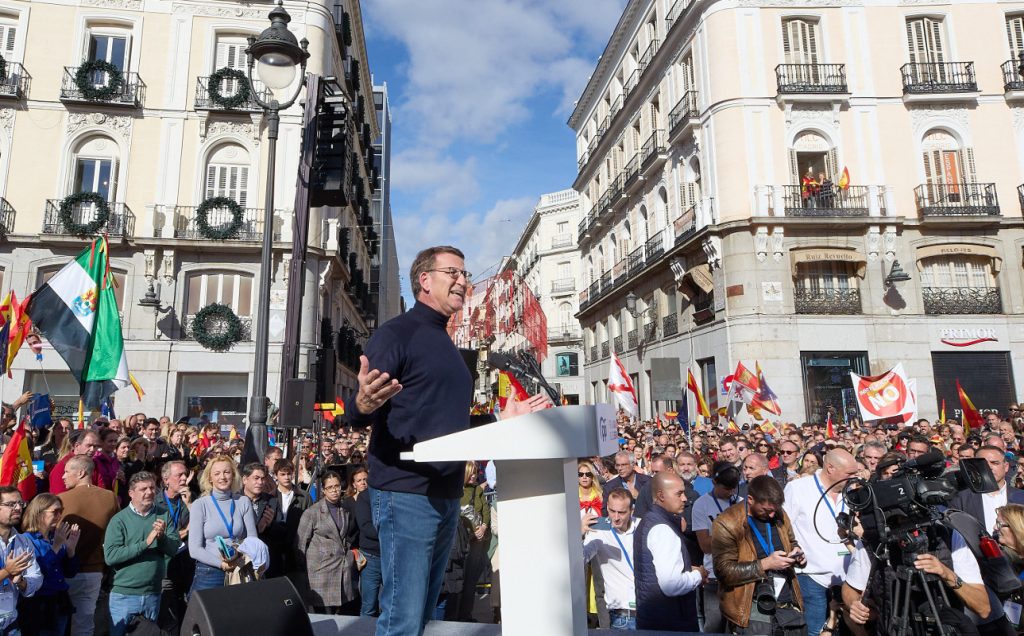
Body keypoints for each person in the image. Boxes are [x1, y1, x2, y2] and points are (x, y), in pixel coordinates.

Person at [343, 245, 549, 636]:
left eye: (464, 273)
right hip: (405, 495)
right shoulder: (395, 335)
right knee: (402, 617)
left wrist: (501, 419)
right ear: (424, 280)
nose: (463, 280)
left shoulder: (448, 345)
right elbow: (359, 411)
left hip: (446, 494)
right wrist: (360, 403)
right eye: (452, 272)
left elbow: (448, 425)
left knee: (422, 615)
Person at [713, 475, 807, 635]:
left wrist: (797, 554)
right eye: (766, 510)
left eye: (774, 510)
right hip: (751, 610)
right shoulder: (727, 523)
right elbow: (723, 571)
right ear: (750, 499)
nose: (772, 515)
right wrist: (765, 564)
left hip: (787, 607)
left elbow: (791, 541)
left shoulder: (779, 514)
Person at [784, 449, 859, 636]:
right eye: (849, 473)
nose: (854, 477)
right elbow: (783, 529)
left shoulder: (854, 493)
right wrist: (794, 549)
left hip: (848, 580)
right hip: (811, 577)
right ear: (830, 468)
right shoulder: (798, 488)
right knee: (815, 631)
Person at [104, 471, 181, 636]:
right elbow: (111, 557)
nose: (149, 492)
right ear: (131, 493)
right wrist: (145, 543)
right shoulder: (119, 520)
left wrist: (161, 538)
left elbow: (174, 548)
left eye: (152, 488)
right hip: (125, 595)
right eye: (143, 489)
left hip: (152, 593)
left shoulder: (163, 514)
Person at [633, 471, 706, 632]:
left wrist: (687, 570)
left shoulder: (651, 521)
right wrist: (698, 575)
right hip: (670, 622)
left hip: (656, 620)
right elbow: (671, 585)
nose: (685, 499)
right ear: (661, 495)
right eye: (679, 494)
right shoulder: (662, 529)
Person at [58, 456, 118, 636]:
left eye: (67, 471)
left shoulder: (61, 499)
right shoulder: (110, 497)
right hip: (95, 571)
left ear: (82, 472)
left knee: (58, 623)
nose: (63, 476)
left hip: (64, 570)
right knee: (84, 623)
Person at [187, 455, 257, 595]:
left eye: (226, 472)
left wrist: (237, 557)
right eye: (217, 473)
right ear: (210, 478)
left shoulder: (243, 501)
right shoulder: (200, 505)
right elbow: (194, 549)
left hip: (238, 569)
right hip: (209, 572)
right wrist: (222, 564)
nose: (222, 477)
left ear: (233, 475)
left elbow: (252, 540)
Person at [295, 471, 357, 614]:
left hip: (341, 568)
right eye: (330, 487)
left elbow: (345, 536)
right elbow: (300, 543)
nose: (334, 490)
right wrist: (306, 567)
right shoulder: (312, 512)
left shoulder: (344, 510)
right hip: (320, 570)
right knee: (322, 613)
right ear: (323, 490)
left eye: (337, 486)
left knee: (340, 612)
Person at [691, 461, 741, 631]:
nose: (731, 492)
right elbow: (705, 545)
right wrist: (734, 536)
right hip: (714, 576)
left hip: (740, 573)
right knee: (714, 626)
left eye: (733, 488)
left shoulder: (741, 503)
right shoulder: (701, 504)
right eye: (726, 488)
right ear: (714, 482)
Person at [18, 493, 76, 636]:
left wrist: (70, 551)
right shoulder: (26, 540)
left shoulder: (55, 537)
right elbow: (38, 573)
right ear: (38, 513)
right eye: (54, 512)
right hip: (39, 605)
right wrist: (55, 547)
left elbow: (70, 572)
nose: (59, 516)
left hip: (60, 600)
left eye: (61, 511)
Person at [581, 488, 639, 630]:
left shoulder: (641, 525)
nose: (616, 517)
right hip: (622, 616)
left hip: (648, 611)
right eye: (612, 511)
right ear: (607, 507)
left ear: (631, 510)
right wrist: (579, 533)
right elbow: (580, 560)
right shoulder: (599, 531)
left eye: (622, 512)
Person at [153, 460, 193, 630]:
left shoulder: (190, 499)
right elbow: (160, 536)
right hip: (166, 564)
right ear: (166, 480)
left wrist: (189, 505)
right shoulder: (155, 503)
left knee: (188, 609)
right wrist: (187, 530)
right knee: (168, 612)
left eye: (185, 474)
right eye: (179, 475)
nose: (184, 478)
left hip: (187, 562)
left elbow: (201, 527)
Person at [0, 486, 42, 633]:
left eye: (20, 503)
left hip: (10, 623)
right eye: (11, 504)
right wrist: (6, 572)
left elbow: (36, 577)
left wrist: (22, 582)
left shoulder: (23, 541)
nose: (18, 508)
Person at [457, 461, 490, 621]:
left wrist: (483, 527)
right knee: (458, 580)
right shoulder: (456, 490)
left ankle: (466, 614)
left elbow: (485, 510)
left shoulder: (478, 490)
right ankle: (455, 614)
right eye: (471, 472)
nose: (474, 475)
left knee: (470, 580)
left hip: (478, 542)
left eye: (476, 472)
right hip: (461, 540)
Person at [240, 463, 285, 578]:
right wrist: (257, 528)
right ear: (245, 479)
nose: (260, 482)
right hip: (243, 561)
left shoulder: (271, 501)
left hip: (267, 563)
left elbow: (282, 531)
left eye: (262, 478)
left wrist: (270, 525)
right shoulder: (236, 500)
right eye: (256, 478)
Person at [272, 457, 308, 575]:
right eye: (282, 474)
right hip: (275, 547)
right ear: (276, 475)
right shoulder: (270, 497)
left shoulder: (304, 497)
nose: (286, 477)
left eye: (289, 474)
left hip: (296, 545)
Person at [49, 430, 99, 495]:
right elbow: (60, 496)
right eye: (89, 445)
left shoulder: (94, 463)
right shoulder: (62, 466)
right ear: (77, 446)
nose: (92, 449)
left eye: (95, 446)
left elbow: (100, 488)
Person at [92, 427, 121, 492]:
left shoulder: (115, 459)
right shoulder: (95, 459)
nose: (113, 444)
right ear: (101, 442)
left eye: (115, 441)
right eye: (110, 441)